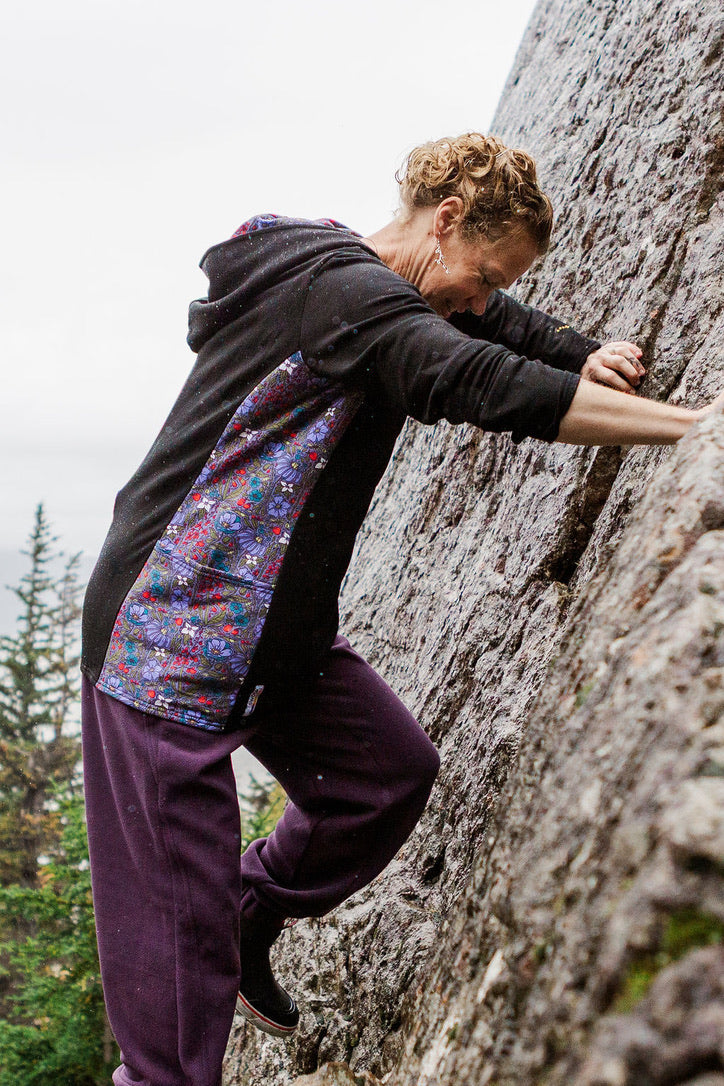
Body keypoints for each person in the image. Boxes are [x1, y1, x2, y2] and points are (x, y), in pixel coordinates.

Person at [80, 133, 722, 1086]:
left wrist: (586, 354)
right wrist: (695, 432)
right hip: (170, 641)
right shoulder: (344, 294)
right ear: (447, 220)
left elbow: (493, 325)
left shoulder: (381, 276)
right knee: (174, 1020)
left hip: (270, 630)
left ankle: (250, 905)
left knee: (384, 775)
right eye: (479, 273)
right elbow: (465, 373)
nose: (476, 299)